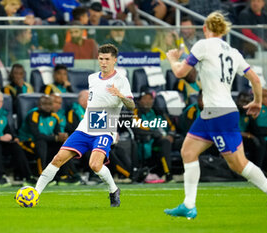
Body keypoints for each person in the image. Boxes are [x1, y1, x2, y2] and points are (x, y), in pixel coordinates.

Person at [164, 11, 267, 220]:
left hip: (218, 114)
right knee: (188, 151)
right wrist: (257, 102)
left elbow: (180, 73)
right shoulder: (233, 52)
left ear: (205, 29)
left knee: (238, 164)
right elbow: (256, 81)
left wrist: (172, 59)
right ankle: (188, 205)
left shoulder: (203, 45)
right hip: (214, 112)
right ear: (222, 31)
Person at [33, 44, 135, 207]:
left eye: (107, 59)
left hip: (104, 129)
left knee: (95, 165)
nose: (103, 62)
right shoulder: (92, 78)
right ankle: (35, 194)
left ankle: (113, 190)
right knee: (58, 159)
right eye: (101, 59)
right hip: (84, 128)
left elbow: (131, 105)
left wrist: (120, 95)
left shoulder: (121, 80)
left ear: (114, 60)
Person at [132, 87, 175, 182]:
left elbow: (171, 126)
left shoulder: (157, 111)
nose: (148, 101)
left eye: (150, 99)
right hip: (150, 140)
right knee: (165, 143)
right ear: (139, 100)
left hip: (165, 137)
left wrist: (171, 134)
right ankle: (168, 174)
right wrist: (156, 134)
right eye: (145, 98)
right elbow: (138, 127)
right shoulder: (136, 112)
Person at [18, 95, 68, 174]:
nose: (47, 107)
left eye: (50, 104)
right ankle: (42, 175)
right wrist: (56, 138)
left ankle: (66, 175)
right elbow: (36, 135)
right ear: (39, 105)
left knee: (65, 145)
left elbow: (57, 134)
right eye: (44, 104)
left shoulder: (55, 116)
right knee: (41, 143)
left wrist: (63, 136)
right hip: (27, 141)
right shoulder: (33, 114)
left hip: (45, 141)